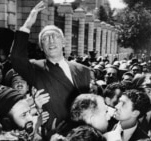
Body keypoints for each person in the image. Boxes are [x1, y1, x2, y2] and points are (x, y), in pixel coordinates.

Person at [10, 1, 93, 132]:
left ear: (64, 42)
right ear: (42, 47)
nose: (51, 41)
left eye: (55, 36)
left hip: (83, 132)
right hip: (55, 133)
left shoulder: (83, 70)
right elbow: (16, 58)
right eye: (45, 38)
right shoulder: (36, 68)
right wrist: (28, 23)